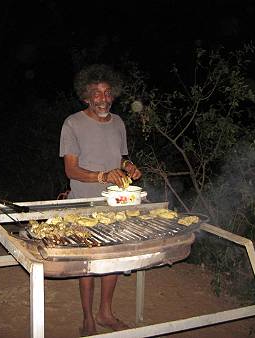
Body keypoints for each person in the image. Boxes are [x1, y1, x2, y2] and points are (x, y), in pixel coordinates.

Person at [59, 64, 142, 335]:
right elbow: (71, 170)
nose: (102, 98)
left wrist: (128, 167)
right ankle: (87, 318)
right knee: (89, 263)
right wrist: (103, 176)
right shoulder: (72, 123)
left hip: (115, 204)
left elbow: (121, 159)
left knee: (112, 259)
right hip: (83, 203)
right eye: (96, 93)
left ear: (113, 95)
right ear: (86, 96)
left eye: (107, 93)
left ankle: (105, 313)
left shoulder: (118, 123)